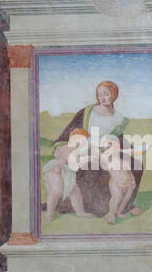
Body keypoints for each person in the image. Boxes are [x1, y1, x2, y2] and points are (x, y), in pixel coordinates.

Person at [48, 81, 143, 218]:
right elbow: (71, 131)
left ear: (114, 95)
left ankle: (125, 205)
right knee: (94, 167)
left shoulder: (119, 118)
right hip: (86, 148)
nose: (103, 98)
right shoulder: (87, 112)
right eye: (100, 95)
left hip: (107, 149)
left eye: (106, 94)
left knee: (135, 165)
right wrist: (66, 148)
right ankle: (98, 208)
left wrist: (129, 149)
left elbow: (118, 138)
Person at [43, 128, 93, 221]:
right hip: (56, 172)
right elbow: (72, 161)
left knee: (74, 191)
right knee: (55, 192)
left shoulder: (76, 149)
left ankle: (80, 212)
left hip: (67, 173)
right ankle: (49, 214)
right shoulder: (67, 148)